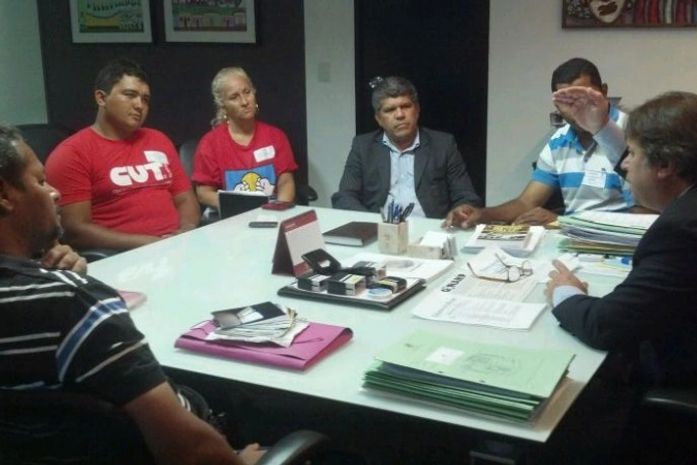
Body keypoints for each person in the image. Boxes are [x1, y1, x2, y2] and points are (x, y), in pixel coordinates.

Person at [0, 125, 261, 464]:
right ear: (4, 194)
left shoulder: (57, 297)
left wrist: (42, 268)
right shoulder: (74, 304)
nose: (55, 193)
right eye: (40, 181)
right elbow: (188, 449)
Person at [542, 91, 697, 463]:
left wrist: (565, 293)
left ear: (666, 165)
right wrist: (602, 128)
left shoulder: (681, 230)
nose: (624, 164)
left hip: (673, 385)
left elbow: (605, 325)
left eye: (634, 154)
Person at [446, 58, 631, 228]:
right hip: (574, 240)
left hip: (619, 244)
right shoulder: (558, 141)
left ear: (603, 92)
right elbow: (526, 203)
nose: (576, 109)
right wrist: (481, 214)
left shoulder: (632, 133)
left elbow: (643, 215)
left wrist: (562, 222)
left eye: (583, 97)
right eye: (567, 102)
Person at [45, 58, 200, 252]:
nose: (139, 105)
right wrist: (151, 244)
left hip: (177, 248)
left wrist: (186, 233)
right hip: (121, 254)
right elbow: (75, 230)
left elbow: (186, 200)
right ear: (101, 98)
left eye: (145, 99)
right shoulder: (71, 153)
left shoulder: (158, 140)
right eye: (130, 95)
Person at [331, 76, 481, 219]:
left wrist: (462, 210)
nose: (400, 115)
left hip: (429, 229)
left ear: (417, 110)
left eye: (406, 106)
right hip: (380, 228)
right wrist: (371, 224)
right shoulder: (363, 146)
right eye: (390, 110)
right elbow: (344, 196)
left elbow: (466, 196)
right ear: (378, 119)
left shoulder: (443, 144)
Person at [192, 67, 298, 210]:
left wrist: (279, 210)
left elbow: (286, 182)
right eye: (234, 97)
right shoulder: (210, 144)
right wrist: (239, 206)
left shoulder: (276, 136)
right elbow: (203, 193)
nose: (244, 101)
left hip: (273, 213)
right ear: (223, 104)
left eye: (247, 92)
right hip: (232, 215)